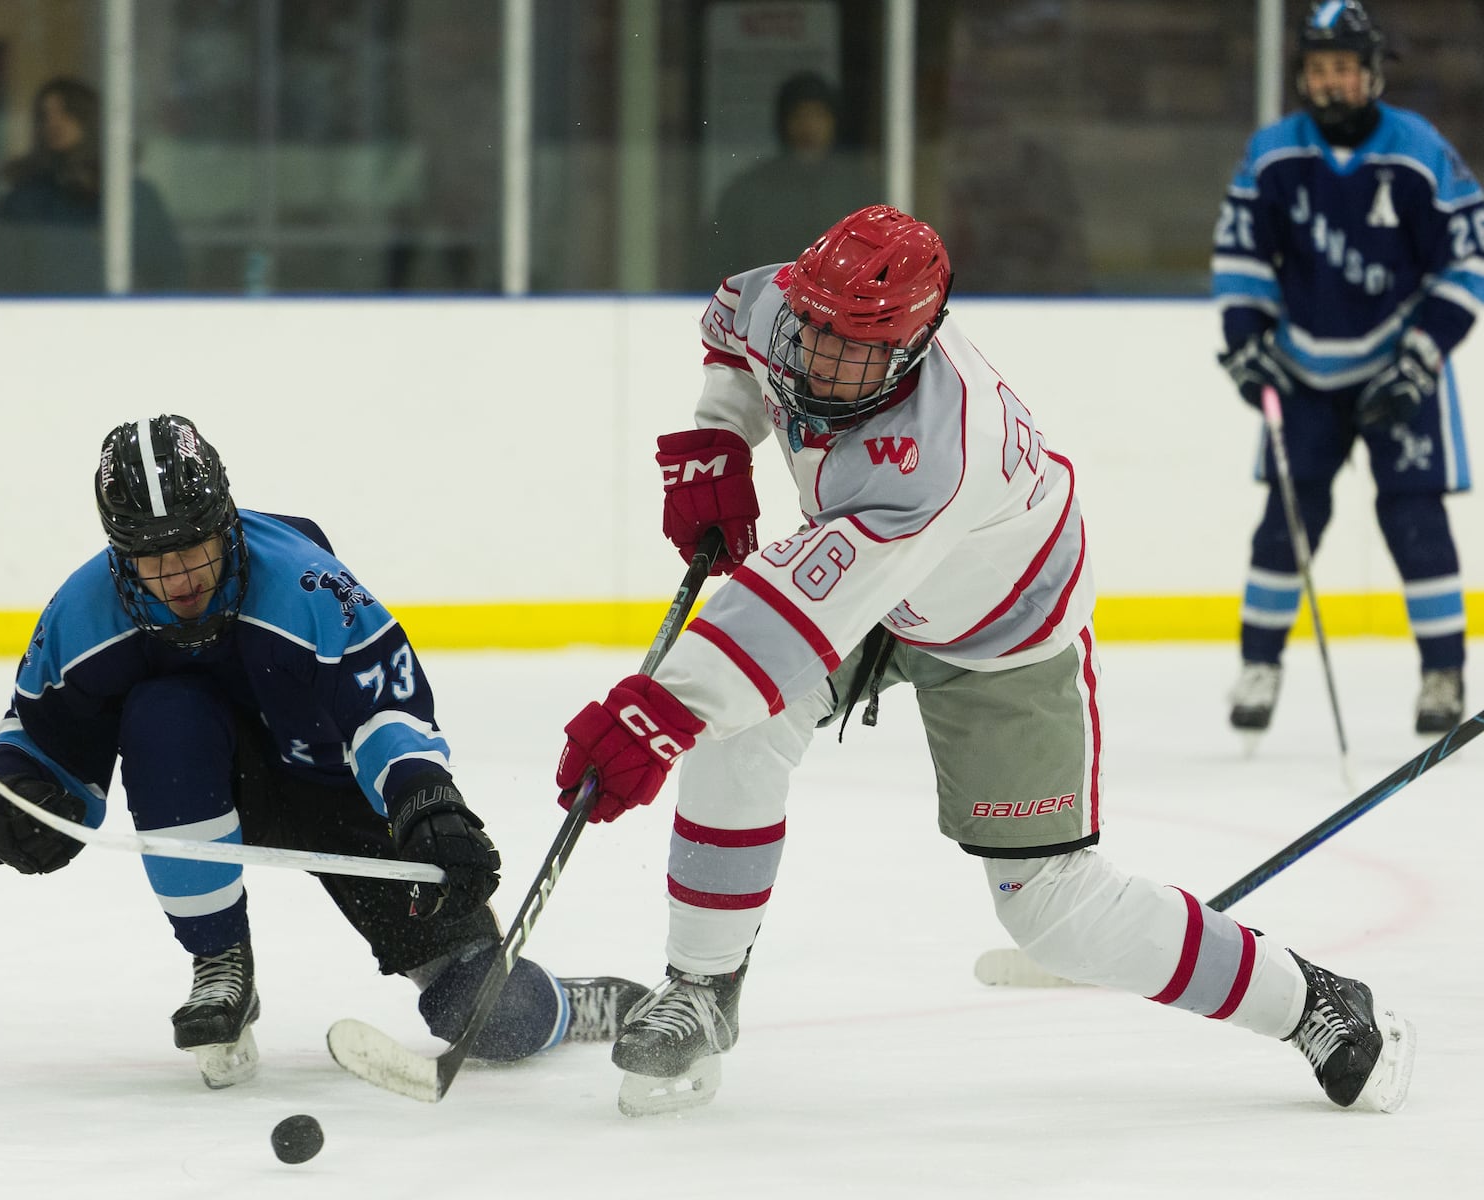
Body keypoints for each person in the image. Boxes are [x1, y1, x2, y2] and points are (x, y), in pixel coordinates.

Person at [551, 205, 1417, 1118]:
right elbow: (731, 325)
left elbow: (786, 616)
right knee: (741, 731)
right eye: (812, 329)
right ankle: (703, 987)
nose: (818, 361)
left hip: (1002, 628)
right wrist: (717, 440)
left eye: (853, 348)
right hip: (869, 574)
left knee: (1053, 912)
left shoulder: (935, 454)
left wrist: (653, 713)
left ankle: (1311, 1001)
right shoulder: (795, 308)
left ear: (915, 345)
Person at [0, 414, 644, 1088]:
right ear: (120, 554)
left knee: (486, 1015)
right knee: (165, 713)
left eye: (193, 548)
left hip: (344, 793)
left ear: (228, 524)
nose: (178, 579)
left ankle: (568, 1003)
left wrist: (425, 799)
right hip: (213, 782)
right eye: (152, 561)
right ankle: (220, 963)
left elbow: (385, 709)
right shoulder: (85, 611)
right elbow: (39, 739)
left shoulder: (309, 585)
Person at [1213, 0, 1482, 736]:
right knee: (1287, 523)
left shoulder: (1418, 150)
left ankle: (1442, 674)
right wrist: (1246, 342)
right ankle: (1259, 664)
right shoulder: (1274, 152)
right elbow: (1242, 258)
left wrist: (1420, 359)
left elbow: (1466, 261)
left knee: (1414, 518)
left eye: (1345, 69)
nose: (1331, 84)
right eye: (1319, 69)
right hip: (1302, 370)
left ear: (1373, 75)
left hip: (1398, 365)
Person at [0, 76, 186, 294]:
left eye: (66, 112)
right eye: (45, 116)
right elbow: (2, 279)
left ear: (89, 119)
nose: (54, 123)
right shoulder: (26, 200)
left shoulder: (133, 196)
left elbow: (168, 272)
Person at [693, 71, 877, 291]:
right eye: (799, 116)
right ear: (783, 122)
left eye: (819, 116)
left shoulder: (859, 189)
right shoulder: (749, 190)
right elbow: (717, 264)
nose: (809, 127)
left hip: (839, 312)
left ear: (834, 121)